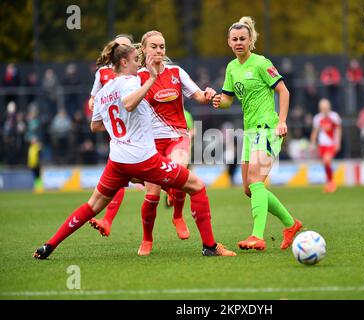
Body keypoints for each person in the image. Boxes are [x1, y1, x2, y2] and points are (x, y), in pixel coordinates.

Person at [33, 43, 236, 259]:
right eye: (135, 59)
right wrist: (151, 79)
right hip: (143, 159)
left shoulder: (103, 92)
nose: (138, 62)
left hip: (117, 161)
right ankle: (210, 247)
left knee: (93, 205)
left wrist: (120, 127)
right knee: (197, 186)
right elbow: (129, 103)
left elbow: (95, 126)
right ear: (124, 62)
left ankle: (49, 245)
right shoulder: (131, 82)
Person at [91, 30, 217, 255]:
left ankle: (178, 216)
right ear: (143, 50)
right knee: (152, 195)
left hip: (177, 135)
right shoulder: (134, 78)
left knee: (179, 168)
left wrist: (208, 95)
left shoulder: (176, 72)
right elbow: (120, 103)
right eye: (154, 47)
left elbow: (197, 95)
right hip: (148, 144)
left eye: (162, 46)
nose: (159, 50)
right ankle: (147, 240)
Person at [212, 16, 302, 251]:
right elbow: (228, 100)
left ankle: (257, 236)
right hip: (250, 132)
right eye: (235, 39)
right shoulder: (232, 68)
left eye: (243, 38)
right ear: (229, 42)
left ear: (250, 40)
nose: (239, 42)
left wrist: (281, 121)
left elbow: (284, 91)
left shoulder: (262, 63)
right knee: (248, 188)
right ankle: (291, 224)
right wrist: (215, 100)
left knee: (255, 182)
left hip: (267, 128)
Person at [86, 34, 133, 237]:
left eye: (126, 46)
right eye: (119, 46)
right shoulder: (103, 73)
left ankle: (175, 197)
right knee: (123, 178)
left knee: (144, 179)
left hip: (142, 132)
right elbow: (93, 98)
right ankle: (107, 220)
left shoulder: (138, 71)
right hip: (121, 136)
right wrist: (94, 103)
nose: (122, 49)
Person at [310, 98, 342, 193]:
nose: (324, 109)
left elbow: (338, 130)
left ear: (329, 107)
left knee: (327, 161)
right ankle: (329, 182)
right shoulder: (317, 118)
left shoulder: (334, 117)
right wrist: (312, 143)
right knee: (325, 164)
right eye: (322, 107)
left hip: (331, 144)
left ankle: (331, 183)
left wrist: (338, 142)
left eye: (326, 107)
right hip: (322, 145)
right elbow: (315, 132)